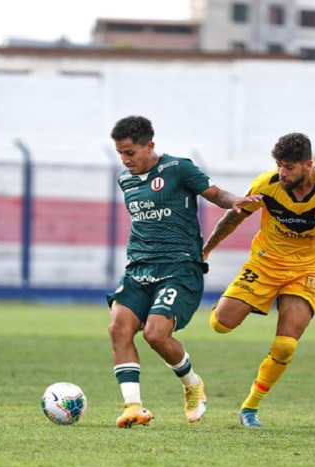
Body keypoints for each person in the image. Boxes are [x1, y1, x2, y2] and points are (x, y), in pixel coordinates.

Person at [203, 132, 315, 427]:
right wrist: (205, 251)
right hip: (265, 263)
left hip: (308, 270)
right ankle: (237, 303)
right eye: (279, 165)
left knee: (285, 346)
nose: (282, 172)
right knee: (220, 324)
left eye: (289, 167)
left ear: (308, 164)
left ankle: (250, 408)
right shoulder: (266, 186)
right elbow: (234, 216)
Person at [107, 115, 261, 428]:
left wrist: (236, 201)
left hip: (179, 266)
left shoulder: (179, 169)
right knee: (118, 329)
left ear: (150, 145)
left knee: (155, 334)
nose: (125, 160)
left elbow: (216, 195)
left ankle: (192, 384)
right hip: (138, 266)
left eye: (130, 153)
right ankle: (132, 406)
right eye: (120, 153)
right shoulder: (125, 180)